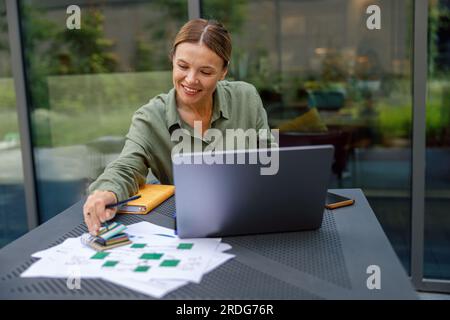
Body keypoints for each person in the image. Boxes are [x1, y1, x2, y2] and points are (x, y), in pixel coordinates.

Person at [83, 19, 274, 236]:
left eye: (206, 72)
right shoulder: (150, 117)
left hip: (251, 222)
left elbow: (270, 161)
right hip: (190, 230)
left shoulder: (246, 98)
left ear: (223, 72)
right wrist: (107, 191)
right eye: (183, 66)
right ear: (173, 60)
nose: (191, 80)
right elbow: (127, 166)